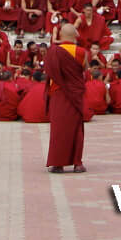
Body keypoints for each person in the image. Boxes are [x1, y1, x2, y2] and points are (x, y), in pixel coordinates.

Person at [44, 23, 87, 173]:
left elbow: (50, 73)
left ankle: (58, 164)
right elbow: (83, 70)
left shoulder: (53, 52)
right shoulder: (82, 52)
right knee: (76, 129)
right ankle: (77, 164)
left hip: (58, 94)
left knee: (58, 129)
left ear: (60, 36)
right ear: (76, 36)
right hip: (75, 95)